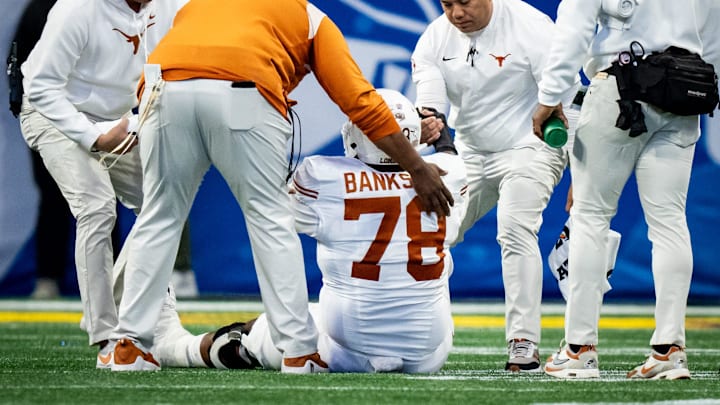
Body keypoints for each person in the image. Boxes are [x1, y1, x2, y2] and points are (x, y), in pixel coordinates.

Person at [109, 0, 454, 374]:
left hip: (162, 87)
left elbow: (172, 53)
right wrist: (416, 165)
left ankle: (129, 345)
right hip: (243, 91)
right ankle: (298, 350)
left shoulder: (200, 6)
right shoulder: (311, 19)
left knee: (159, 216)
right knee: (270, 219)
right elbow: (360, 102)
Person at [146, 88, 468, 373]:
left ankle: (177, 349)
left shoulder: (323, 176)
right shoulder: (450, 173)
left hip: (348, 348)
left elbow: (270, 212)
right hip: (428, 353)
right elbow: (445, 157)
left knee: (272, 333)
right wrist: (438, 137)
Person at [532, 0, 716, 380]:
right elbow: (713, 37)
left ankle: (579, 349)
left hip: (620, 88)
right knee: (669, 221)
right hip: (685, 90)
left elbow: (574, 30)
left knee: (590, 217)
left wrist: (549, 98)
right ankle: (670, 351)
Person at [411, 0, 580, 372]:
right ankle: (405, 329)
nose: (456, 13)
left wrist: (583, 171)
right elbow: (431, 109)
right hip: (471, 151)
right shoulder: (433, 39)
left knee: (514, 228)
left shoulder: (531, 26)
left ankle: (523, 341)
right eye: (447, 3)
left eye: (465, 1)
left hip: (532, 145)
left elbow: (571, 99)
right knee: (426, 230)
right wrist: (427, 124)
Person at [18, 0, 188, 368]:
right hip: (53, 112)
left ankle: (125, 305)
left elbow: (201, 46)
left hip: (120, 120)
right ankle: (107, 335)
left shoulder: (172, 6)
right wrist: (93, 137)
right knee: (96, 206)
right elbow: (41, 85)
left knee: (167, 201)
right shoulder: (76, 9)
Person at [9, 0, 73, 300]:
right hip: (49, 117)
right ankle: (48, 277)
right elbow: (19, 67)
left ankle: (109, 282)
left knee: (102, 202)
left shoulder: (96, 10)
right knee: (54, 199)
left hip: (94, 115)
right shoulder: (40, 10)